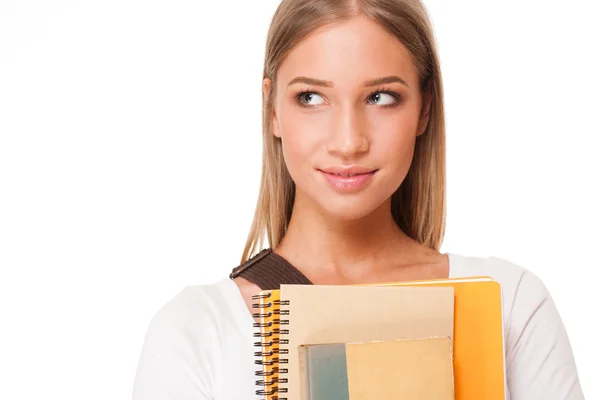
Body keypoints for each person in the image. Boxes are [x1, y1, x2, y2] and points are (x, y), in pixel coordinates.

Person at [132, 0, 584, 399]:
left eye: (381, 97)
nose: (348, 142)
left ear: (425, 107)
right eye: (311, 97)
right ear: (271, 109)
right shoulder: (195, 331)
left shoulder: (512, 303)